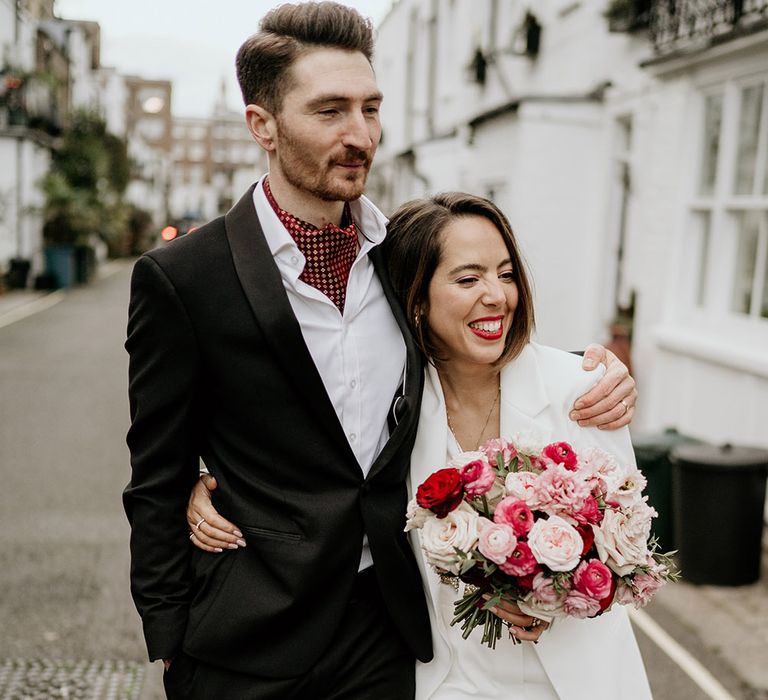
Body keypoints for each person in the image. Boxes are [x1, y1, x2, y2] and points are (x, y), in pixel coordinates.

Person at [125, 3, 637, 699]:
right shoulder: (183, 277)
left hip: (389, 633)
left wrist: (591, 371)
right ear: (262, 126)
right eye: (330, 111)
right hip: (246, 637)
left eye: (370, 108)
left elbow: (474, 333)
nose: (360, 134)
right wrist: (170, 640)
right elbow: (156, 475)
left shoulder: (402, 255)